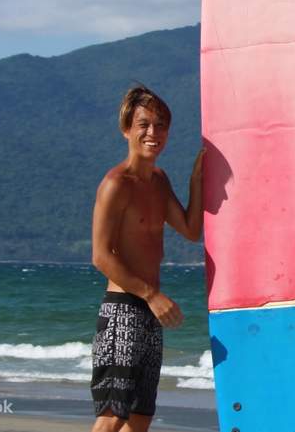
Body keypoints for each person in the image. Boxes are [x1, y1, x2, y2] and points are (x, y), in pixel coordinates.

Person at [90, 85, 203, 432]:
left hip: (148, 314)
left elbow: (189, 228)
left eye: (160, 125)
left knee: (140, 418)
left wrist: (197, 179)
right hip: (123, 308)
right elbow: (100, 256)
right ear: (127, 129)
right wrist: (151, 295)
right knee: (112, 415)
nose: (153, 133)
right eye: (144, 124)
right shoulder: (115, 183)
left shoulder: (158, 180)